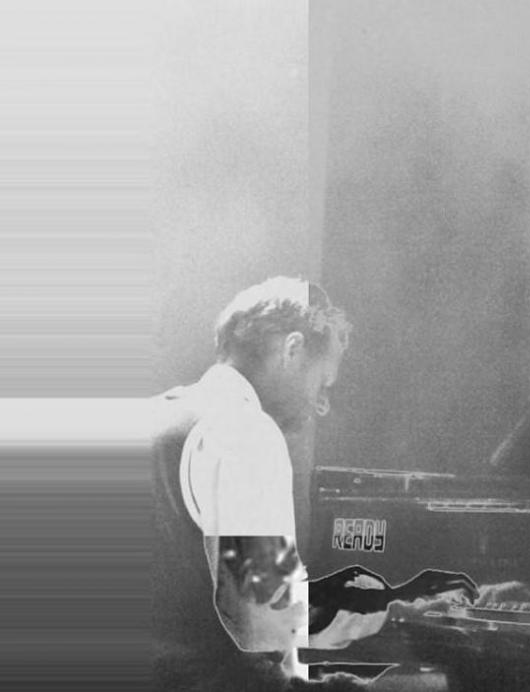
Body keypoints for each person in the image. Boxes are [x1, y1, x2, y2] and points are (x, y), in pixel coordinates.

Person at [151, 276, 476, 691]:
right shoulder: (243, 429)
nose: (320, 406)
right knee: (433, 687)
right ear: (293, 349)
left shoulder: (154, 415)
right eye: (322, 383)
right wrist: (393, 601)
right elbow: (263, 620)